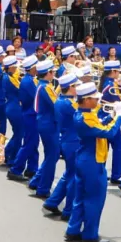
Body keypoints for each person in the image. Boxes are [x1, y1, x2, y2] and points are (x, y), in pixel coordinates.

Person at [64, 82, 121, 242]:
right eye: (95, 99)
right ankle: (90, 234)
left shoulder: (85, 113)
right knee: (94, 199)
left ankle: (73, 229)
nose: (98, 101)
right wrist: (119, 117)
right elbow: (109, 133)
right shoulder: (85, 118)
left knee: (81, 197)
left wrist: (111, 116)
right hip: (92, 162)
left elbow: (100, 124)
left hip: (85, 159)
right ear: (86, 100)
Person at [42, 73, 80, 220]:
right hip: (73, 141)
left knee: (68, 174)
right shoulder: (69, 104)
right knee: (74, 178)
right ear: (70, 87)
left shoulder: (61, 100)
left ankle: (53, 201)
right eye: (76, 86)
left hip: (67, 139)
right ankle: (69, 210)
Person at [28, 60, 59, 198]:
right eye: (52, 72)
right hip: (49, 124)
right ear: (48, 73)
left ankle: (37, 180)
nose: (54, 74)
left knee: (51, 155)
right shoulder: (45, 87)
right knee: (52, 156)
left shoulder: (44, 86)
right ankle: (43, 188)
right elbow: (56, 104)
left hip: (45, 122)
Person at [7, 55, 39, 180]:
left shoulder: (29, 80)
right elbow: (37, 97)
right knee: (29, 144)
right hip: (30, 114)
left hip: (31, 114)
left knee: (33, 143)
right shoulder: (28, 81)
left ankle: (32, 168)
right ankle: (16, 169)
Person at [98, 60, 121, 184]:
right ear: (113, 71)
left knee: (105, 147)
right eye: (118, 70)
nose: (119, 73)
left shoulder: (107, 83)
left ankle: (101, 172)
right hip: (110, 117)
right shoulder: (110, 87)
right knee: (118, 146)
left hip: (105, 116)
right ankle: (116, 174)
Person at [2, 56, 23, 179]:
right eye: (15, 66)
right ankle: (11, 157)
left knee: (17, 133)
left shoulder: (7, 76)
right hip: (15, 108)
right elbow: (20, 87)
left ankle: (7, 152)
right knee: (19, 134)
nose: (17, 68)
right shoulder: (10, 78)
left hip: (11, 106)